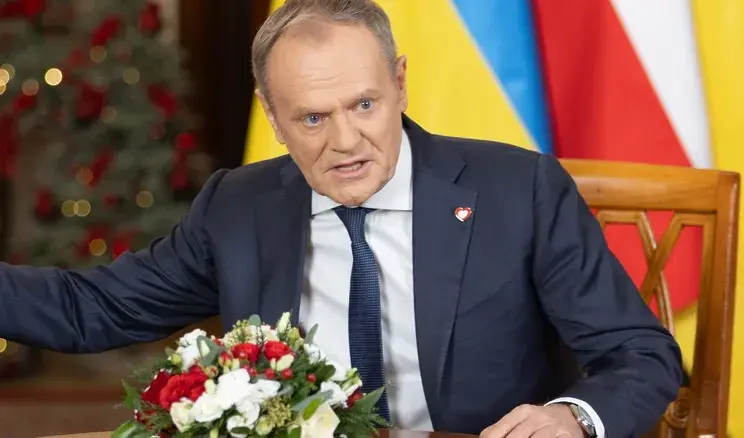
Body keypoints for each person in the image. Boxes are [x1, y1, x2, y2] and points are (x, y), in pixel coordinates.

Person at [0, 0, 682, 436]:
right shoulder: (239, 205)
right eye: (312, 119)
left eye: (364, 105)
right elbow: (93, 308)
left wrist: (572, 418)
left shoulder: (517, 190)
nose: (346, 142)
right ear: (273, 118)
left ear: (400, 84)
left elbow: (641, 354)